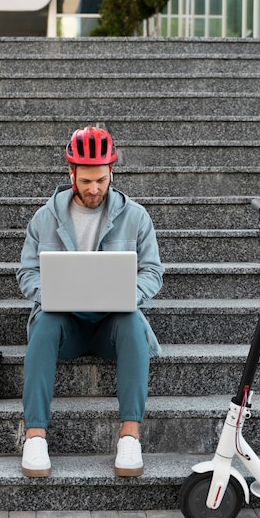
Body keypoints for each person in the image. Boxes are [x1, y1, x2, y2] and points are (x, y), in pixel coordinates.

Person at [16, 126, 164, 478]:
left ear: (111, 172)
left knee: (132, 321)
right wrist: (50, 294)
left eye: (101, 179)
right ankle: (35, 436)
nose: (94, 188)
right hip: (64, 327)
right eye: (86, 181)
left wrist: (129, 294)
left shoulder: (137, 217)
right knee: (44, 321)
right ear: (71, 174)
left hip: (111, 326)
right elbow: (26, 274)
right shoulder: (43, 219)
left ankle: (129, 436)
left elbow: (153, 271)